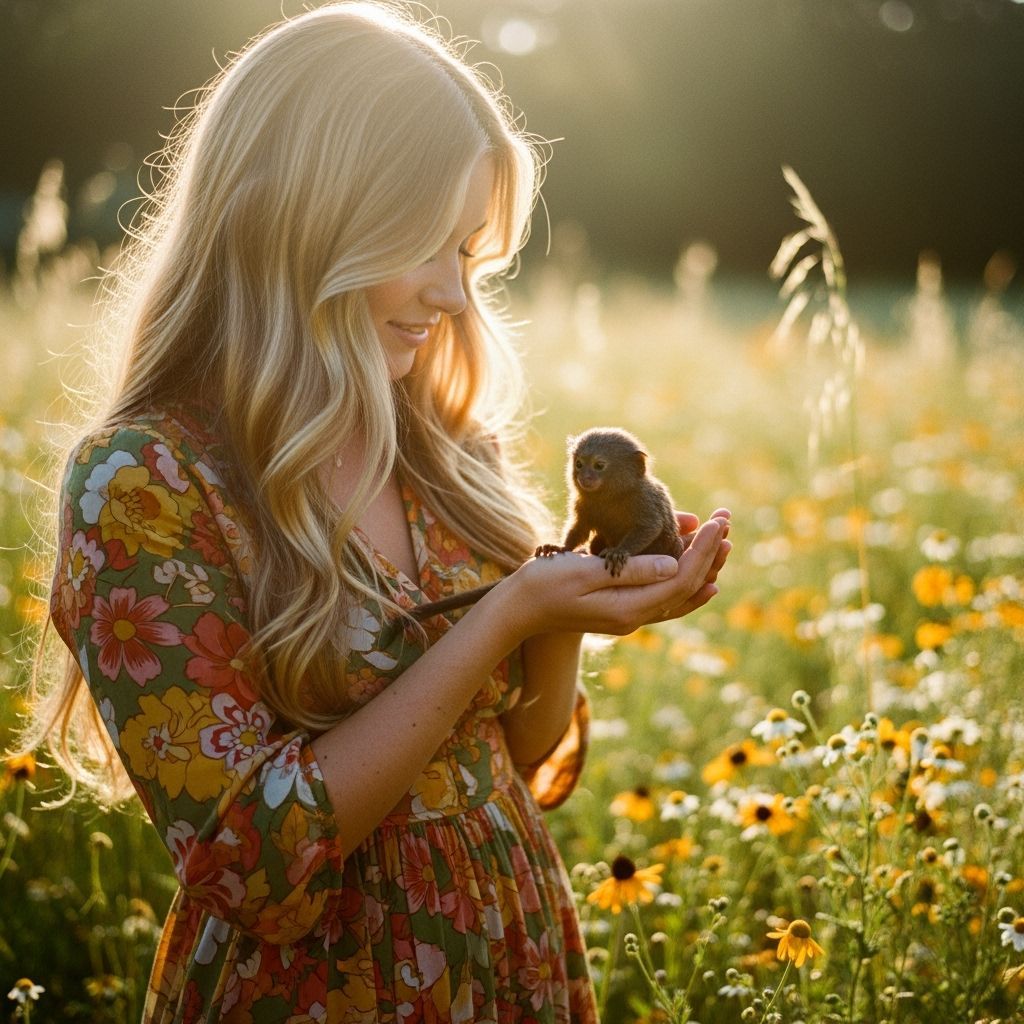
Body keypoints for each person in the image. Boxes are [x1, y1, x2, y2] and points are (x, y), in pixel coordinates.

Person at [24, 3, 731, 1021]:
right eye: (426, 246)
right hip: (320, 990)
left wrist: (559, 620)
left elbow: (514, 761)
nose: (453, 294)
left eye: (470, 257)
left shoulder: (439, 446)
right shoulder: (145, 486)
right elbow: (250, 864)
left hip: (505, 962)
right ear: (301, 220)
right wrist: (505, 616)